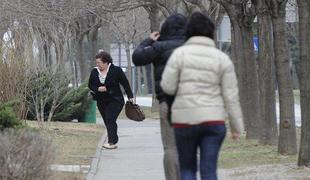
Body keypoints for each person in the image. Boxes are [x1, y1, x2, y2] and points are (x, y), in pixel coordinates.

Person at [160, 12, 244, 180]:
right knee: (209, 170)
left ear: (188, 32)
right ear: (211, 33)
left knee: (188, 168)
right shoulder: (222, 58)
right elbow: (231, 96)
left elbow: (167, 87)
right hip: (213, 121)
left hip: (185, 121)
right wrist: (237, 127)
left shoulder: (179, 55)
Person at [132, 13, 187, 180]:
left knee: (171, 147)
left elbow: (137, 58)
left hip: (168, 102)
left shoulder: (159, 47)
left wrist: (149, 40)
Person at [88, 51, 134, 149]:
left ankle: (111, 142)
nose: (97, 64)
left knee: (110, 118)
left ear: (106, 62)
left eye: (99, 63)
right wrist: (97, 89)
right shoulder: (94, 71)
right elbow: (90, 85)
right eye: (96, 63)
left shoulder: (116, 70)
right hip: (101, 101)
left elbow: (125, 83)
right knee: (108, 121)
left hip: (115, 99)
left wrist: (130, 96)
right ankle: (113, 139)